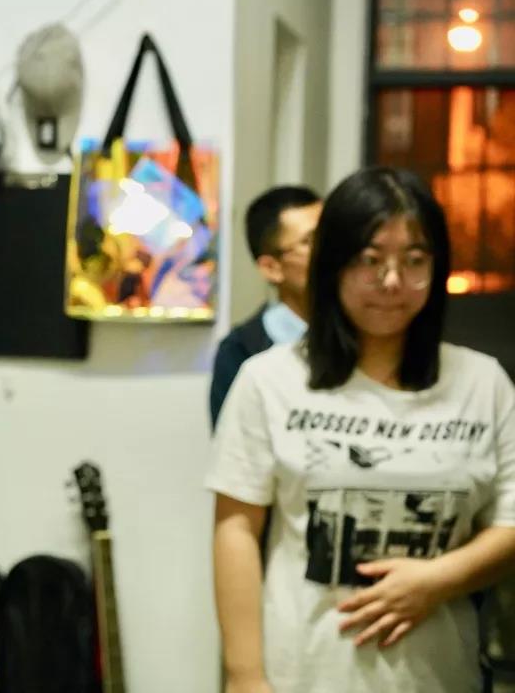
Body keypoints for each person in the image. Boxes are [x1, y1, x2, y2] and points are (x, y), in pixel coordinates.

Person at [207, 166, 515, 692]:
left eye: (414, 261)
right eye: (370, 261)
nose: (392, 282)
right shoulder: (268, 379)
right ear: (334, 265)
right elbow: (235, 529)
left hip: (441, 675)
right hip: (302, 672)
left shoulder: (482, 382)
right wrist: (245, 675)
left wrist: (439, 579)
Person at [209, 186, 322, 427]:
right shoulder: (241, 351)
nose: (332, 250)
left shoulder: (367, 332)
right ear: (271, 268)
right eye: (311, 241)